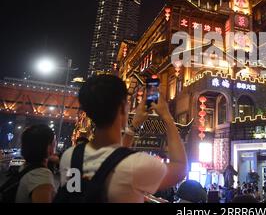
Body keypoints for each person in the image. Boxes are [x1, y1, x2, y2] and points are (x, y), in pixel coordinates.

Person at [59, 75, 187, 203]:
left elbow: (115, 158)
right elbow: (180, 168)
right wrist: (167, 117)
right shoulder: (137, 165)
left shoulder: (69, 157)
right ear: (122, 107)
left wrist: (133, 126)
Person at [15, 125, 56, 203]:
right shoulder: (41, 175)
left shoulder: (26, 166)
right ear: (48, 147)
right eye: (54, 141)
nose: (55, 144)